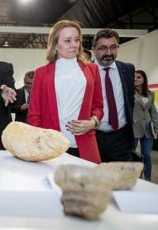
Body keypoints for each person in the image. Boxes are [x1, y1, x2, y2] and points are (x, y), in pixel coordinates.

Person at [28, 20, 103, 163]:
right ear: (55, 45)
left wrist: (93, 122)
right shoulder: (42, 73)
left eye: (77, 40)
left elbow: (98, 106)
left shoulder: (92, 70)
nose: (74, 44)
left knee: (88, 184)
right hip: (51, 146)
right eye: (68, 40)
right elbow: (34, 114)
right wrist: (38, 144)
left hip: (84, 144)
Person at [92, 28, 135, 162]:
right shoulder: (84, 73)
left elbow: (129, 101)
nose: (108, 53)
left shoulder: (128, 69)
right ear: (94, 50)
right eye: (103, 48)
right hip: (93, 138)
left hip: (121, 139)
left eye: (113, 47)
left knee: (123, 181)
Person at [132, 70, 158, 181]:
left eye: (139, 77)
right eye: (134, 77)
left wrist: (157, 128)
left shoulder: (150, 93)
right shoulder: (129, 92)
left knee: (146, 154)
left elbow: (153, 112)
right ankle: (132, 177)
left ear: (144, 79)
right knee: (131, 153)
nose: (136, 79)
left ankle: (147, 179)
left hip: (148, 128)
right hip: (133, 127)